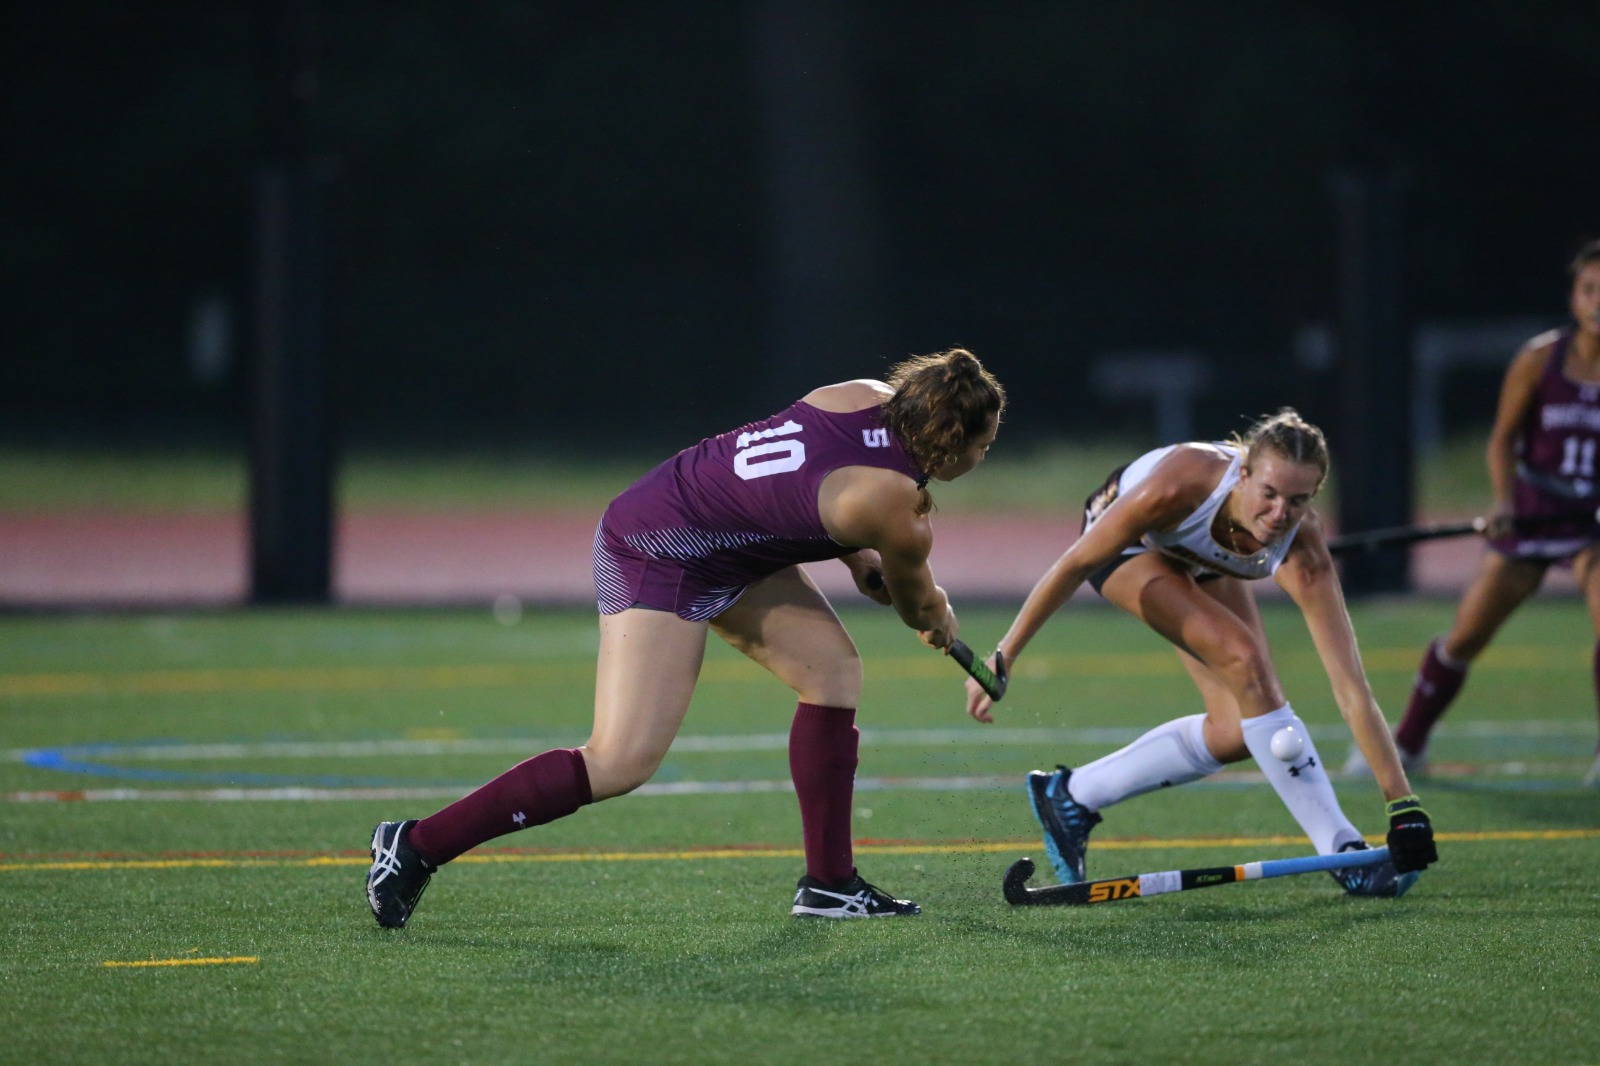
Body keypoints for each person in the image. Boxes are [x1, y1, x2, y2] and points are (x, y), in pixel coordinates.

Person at [365, 348, 1006, 927]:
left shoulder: (861, 394)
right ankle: (415, 846)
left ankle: (831, 886)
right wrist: (935, 614)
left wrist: (855, 553)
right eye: (985, 445)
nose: (985, 458)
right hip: (660, 546)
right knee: (619, 760)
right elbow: (916, 604)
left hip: (720, 538)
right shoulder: (894, 503)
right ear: (950, 445)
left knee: (832, 674)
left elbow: (808, 480)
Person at [963, 409, 1438, 896]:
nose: (1278, 515)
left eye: (1296, 502)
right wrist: (1004, 656)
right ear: (1244, 474)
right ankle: (1344, 851)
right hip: (1126, 546)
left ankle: (1071, 796)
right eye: (1269, 494)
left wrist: (1403, 805)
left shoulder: (1303, 553)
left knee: (1237, 731)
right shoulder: (1178, 486)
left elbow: (1350, 686)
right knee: (1244, 659)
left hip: (1197, 556)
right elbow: (1075, 562)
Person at [1345, 239, 1600, 787]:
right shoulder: (1539, 359)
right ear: (1573, 297)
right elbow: (1503, 440)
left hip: (1591, 524)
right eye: (1589, 290)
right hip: (1534, 509)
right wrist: (1504, 500)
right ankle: (1408, 743)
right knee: (1466, 637)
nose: (1598, 302)